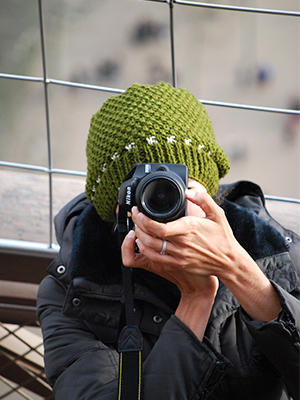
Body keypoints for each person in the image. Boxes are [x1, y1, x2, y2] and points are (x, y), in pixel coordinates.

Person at [37, 82, 300, 400]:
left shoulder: (279, 256)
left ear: (208, 192)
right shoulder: (70, 294)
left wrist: (240, 270)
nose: (165, 208)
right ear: (117, 209)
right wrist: (195, 300)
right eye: (147, 195)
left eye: (178, 187)